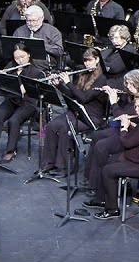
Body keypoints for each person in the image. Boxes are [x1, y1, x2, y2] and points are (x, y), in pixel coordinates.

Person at [87, 92, 139, 220]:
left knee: (108, 170)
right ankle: (103, 199)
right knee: (111, 159)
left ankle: (112, 210)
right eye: (136, 106)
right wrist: (134, 125)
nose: (136, 110)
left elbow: (126, 142)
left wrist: (124, 126)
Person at [83, 69, 139, 194]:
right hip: (125, 129)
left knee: (102, 146)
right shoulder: (132, 95)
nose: (128, 87)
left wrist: (113, 102)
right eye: (127, 84)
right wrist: (116, 96)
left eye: (131, 84)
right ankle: (90, 178)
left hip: (134, 135)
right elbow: (125, 110)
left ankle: (99, 186)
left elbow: (123, 116)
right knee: (96, 136)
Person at [39, 47, 108, 175]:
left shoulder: (102, 78)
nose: (87, 63)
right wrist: (59, 84)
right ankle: (49, 163)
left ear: (97, 60)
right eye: (85, 61)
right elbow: (72, 95)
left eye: (90, 60)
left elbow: (84, 98)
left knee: (66, 129)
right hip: (76, 112)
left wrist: (68, 83)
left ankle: (65, 167)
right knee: (51, 126)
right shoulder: (82, 74)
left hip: (91, 116)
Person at [12, 4, 63, 68]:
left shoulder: (52, 31)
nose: (31, 24)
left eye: (34, 21)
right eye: (28, 21)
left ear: (42, 19)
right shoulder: (19, 31)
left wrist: (40, 44)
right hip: (21, 61)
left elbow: (59, 51)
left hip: (43, 62)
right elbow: (12, 48)